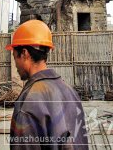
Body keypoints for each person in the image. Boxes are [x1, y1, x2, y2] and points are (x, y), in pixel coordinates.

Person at [6, 19, 89, 149]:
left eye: (15, 56)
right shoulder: (70, 91)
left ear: (24, 54)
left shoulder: (28, 105)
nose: (15, 64)